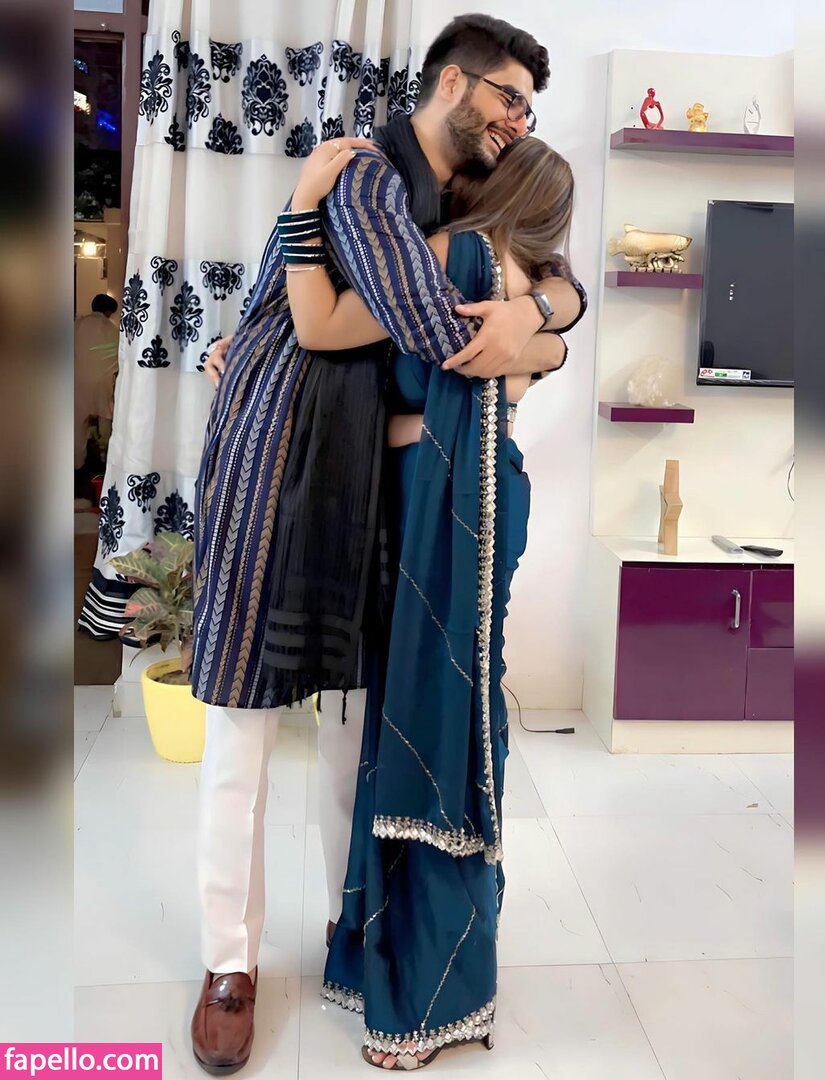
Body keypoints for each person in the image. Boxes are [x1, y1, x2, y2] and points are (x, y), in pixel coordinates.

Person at [190, 14, 586, 1073]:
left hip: (367, 483)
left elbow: (545, 275)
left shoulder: (456, 201)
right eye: (508, 98)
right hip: (279, 468)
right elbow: (432, 326)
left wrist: (543, 314)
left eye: (528, 109)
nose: (518, 120)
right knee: (243, 724)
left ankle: (351, 929)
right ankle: (227, 962)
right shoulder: (366, 176)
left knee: (357, 726)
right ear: (453, 82)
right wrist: (531, 330)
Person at [283, 133, 577, 1071]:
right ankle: (450, 972)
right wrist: (545, 320)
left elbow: (320, 330)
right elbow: (546, 344)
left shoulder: (450, 257)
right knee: (461, 717)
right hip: (491, 495)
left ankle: (415, 994)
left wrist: (301, 212)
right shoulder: (533, 288)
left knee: (420, 721)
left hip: (432, 502)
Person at [74, 293, 119, 472]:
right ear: (108, 311)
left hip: (78, 380)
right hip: (103, 382)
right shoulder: (113, 330)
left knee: (77, 424)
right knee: (105, 416)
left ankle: (77, 464)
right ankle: (103, 457)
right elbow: (119, 356)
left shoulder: (77, 325)